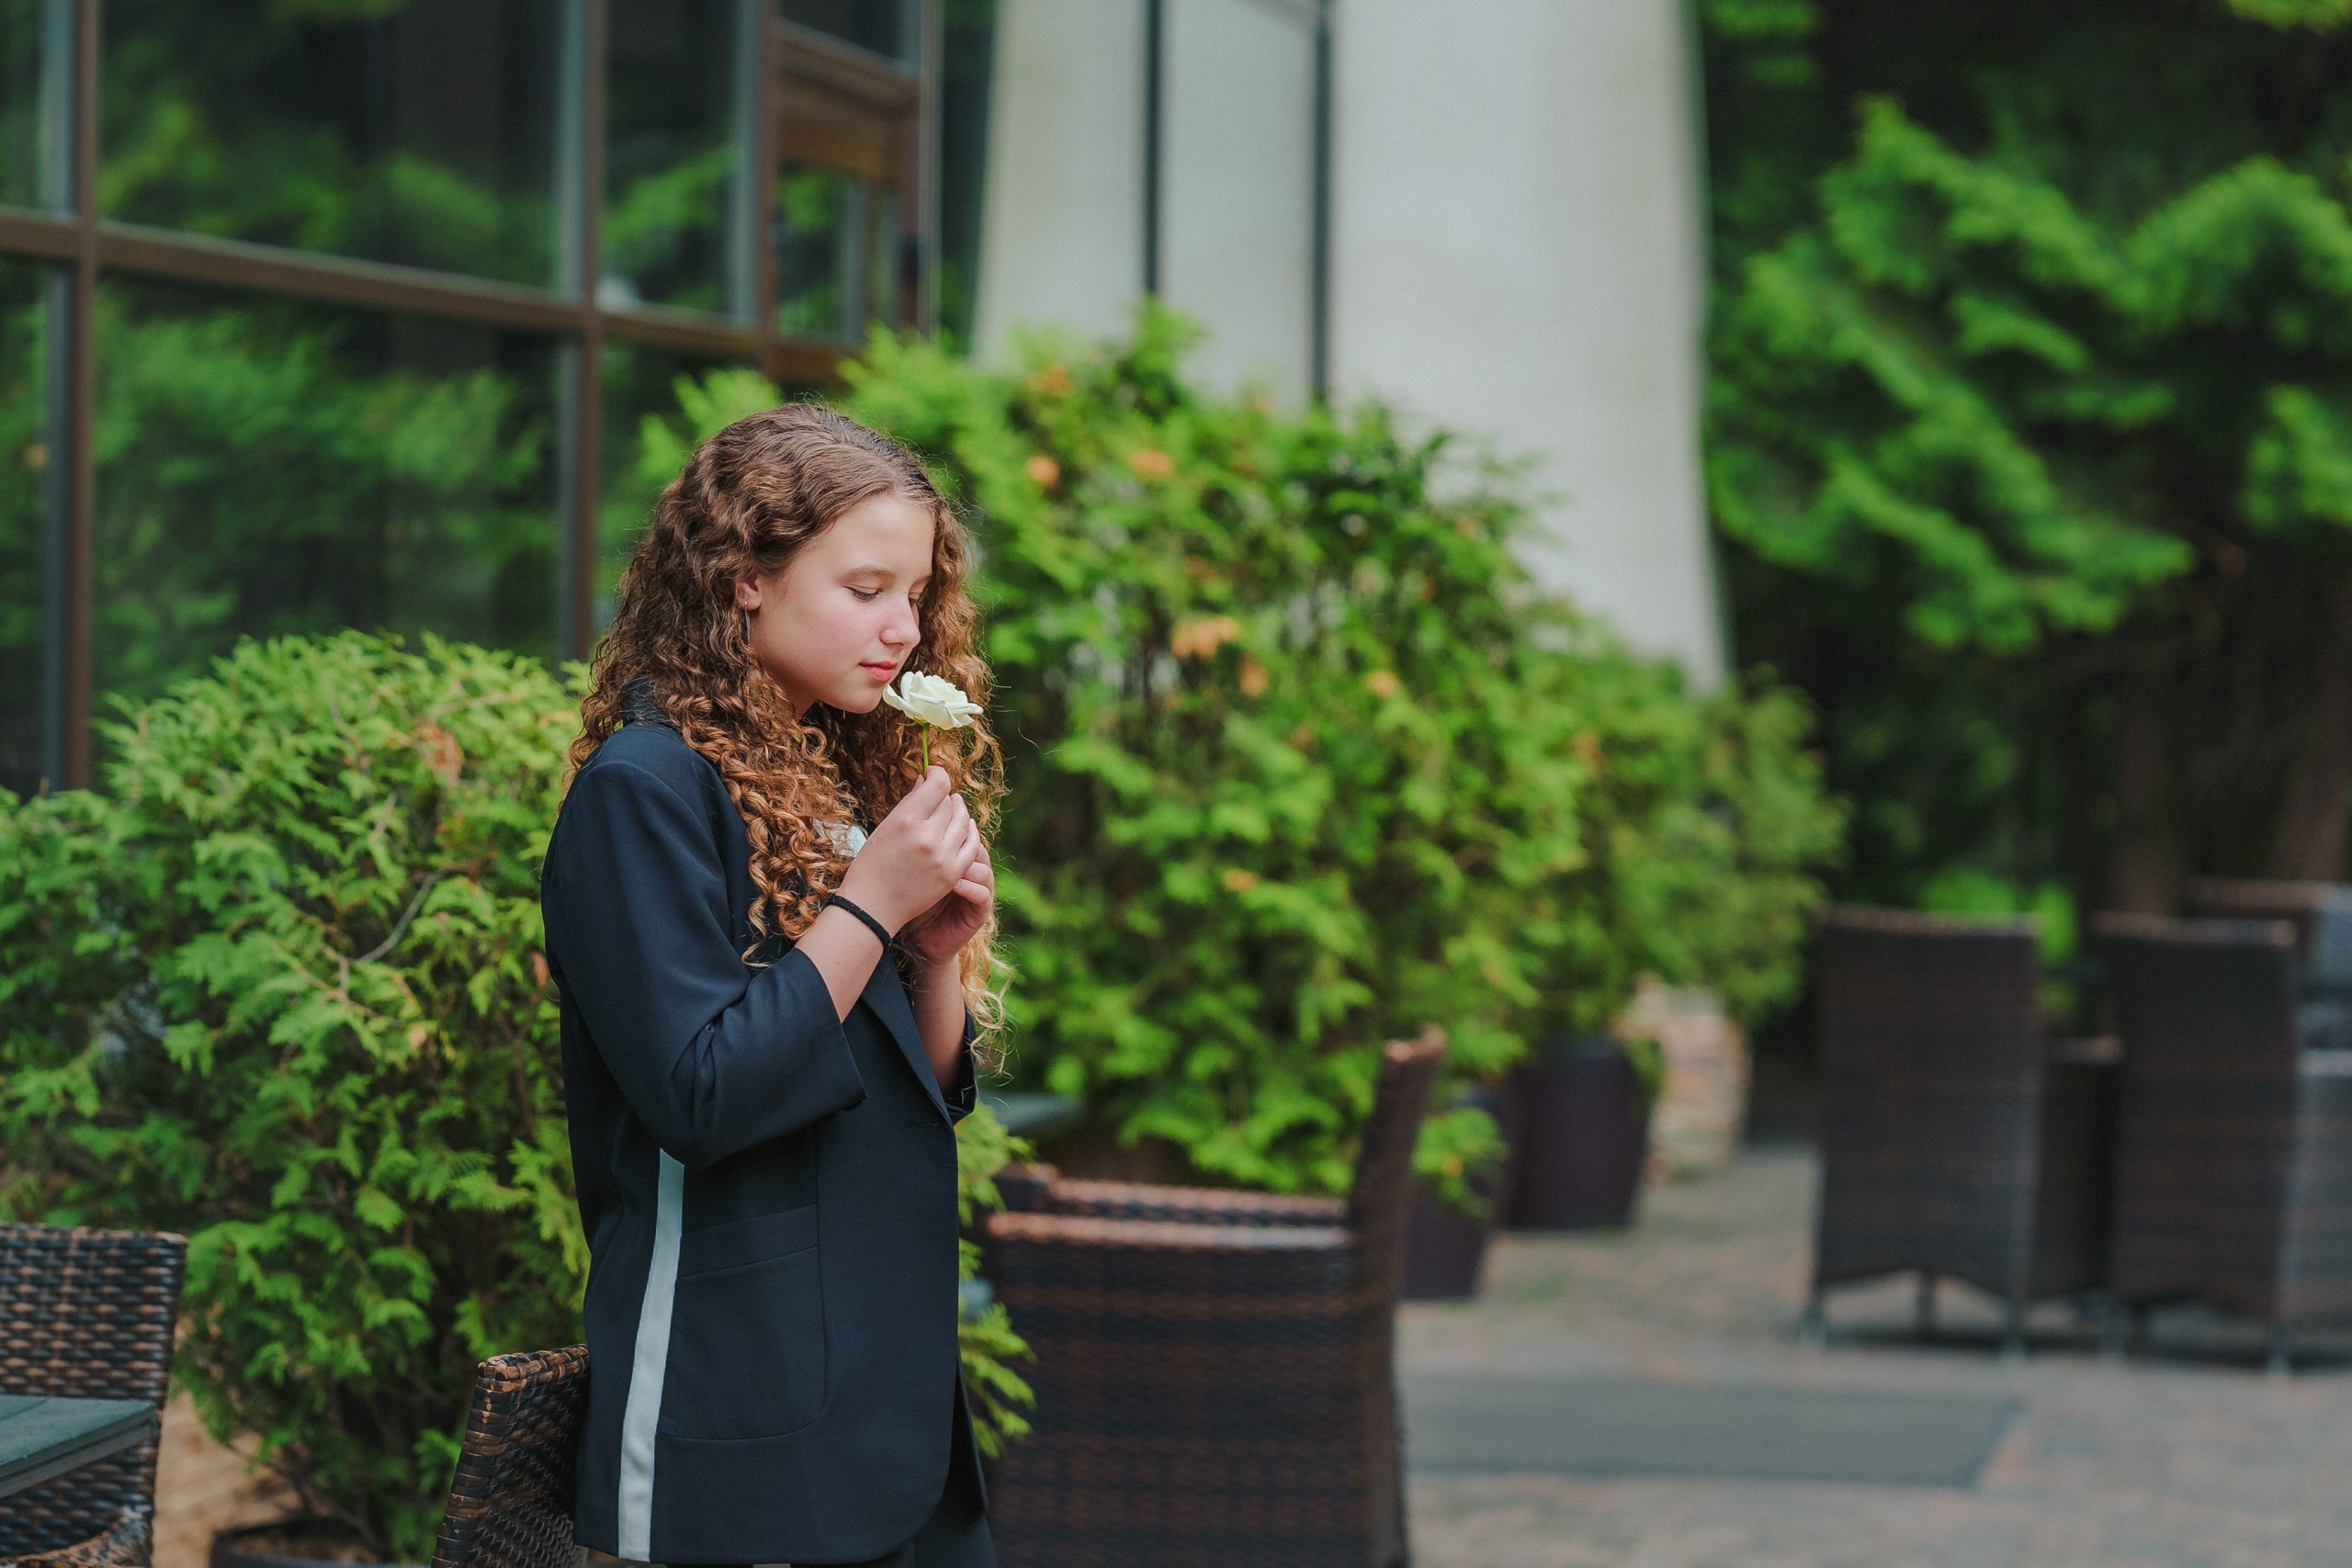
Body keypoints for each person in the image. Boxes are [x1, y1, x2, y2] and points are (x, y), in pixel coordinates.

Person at [539, 403, 1002, 1567]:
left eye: (916, 595)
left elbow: (916, 1090)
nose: (902, 629)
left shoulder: (817, 772)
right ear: (743, 577)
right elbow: (702, 1094)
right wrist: (870, 906)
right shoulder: (643, 790)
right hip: (740, 1397)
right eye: (865, 590)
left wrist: (933, 956)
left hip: (882, 1395)